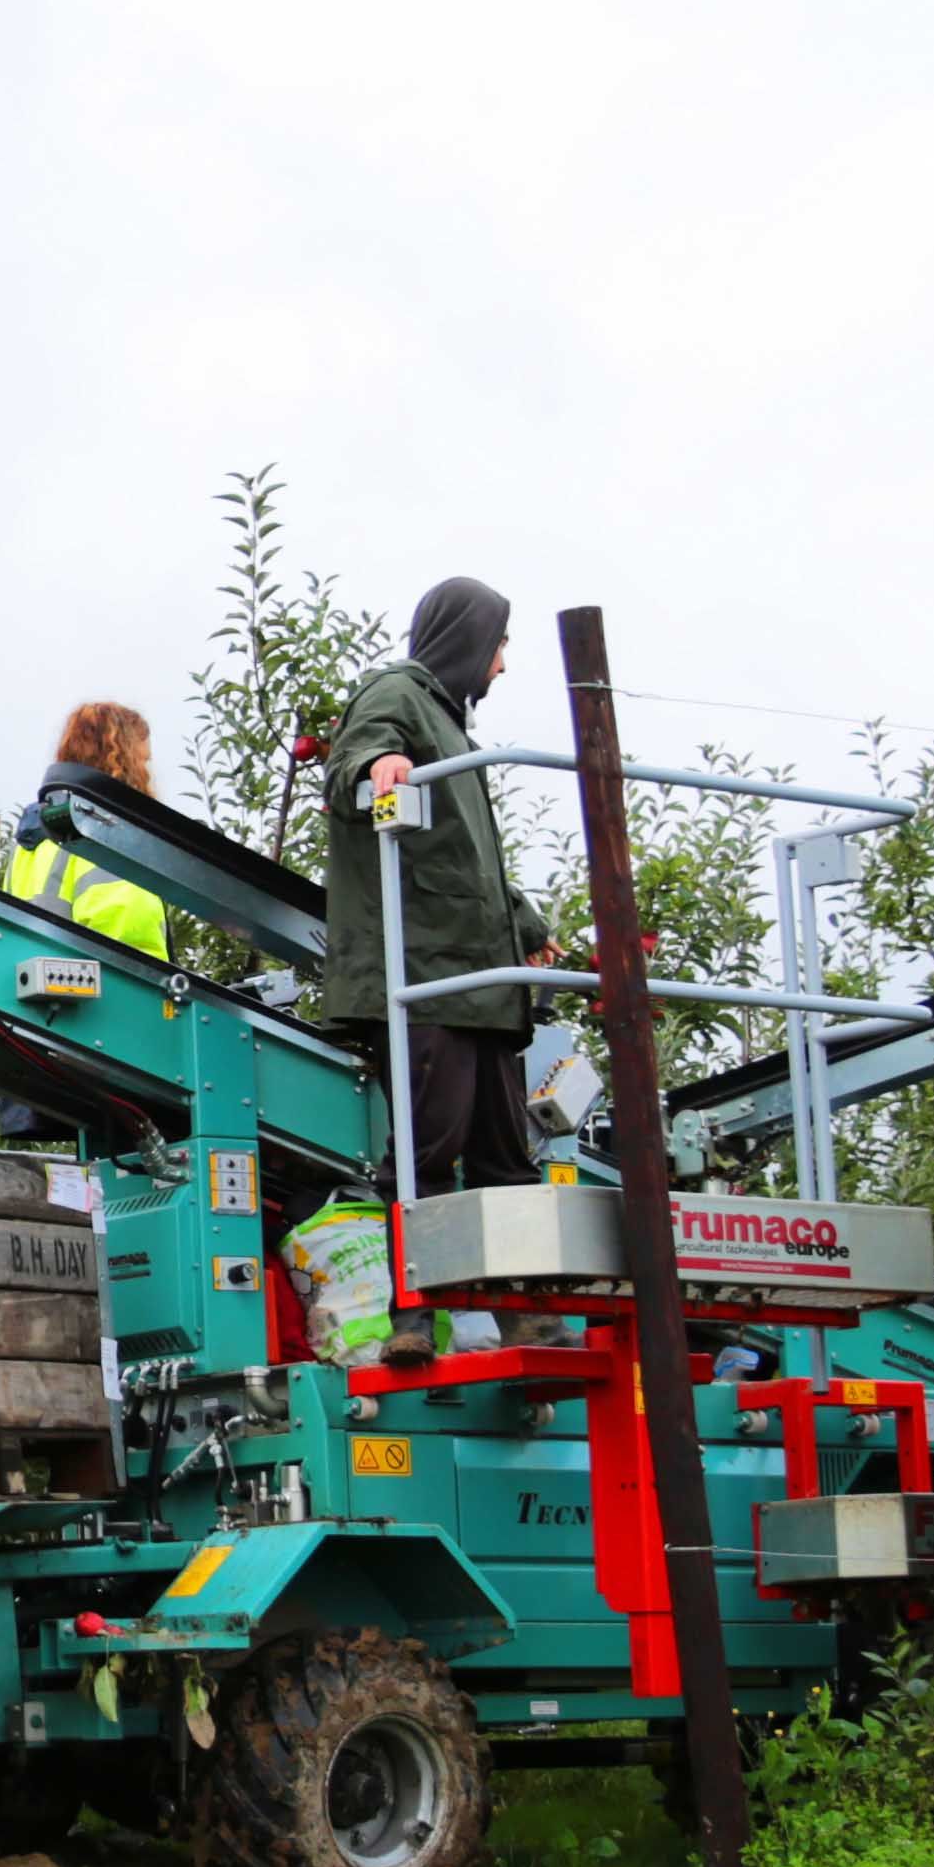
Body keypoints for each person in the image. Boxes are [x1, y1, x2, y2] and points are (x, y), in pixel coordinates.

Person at [321, 579, 559, 1356]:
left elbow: (470, 859)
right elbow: (356, 757)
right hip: (426, 974)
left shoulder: (452, 727)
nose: (503, 665)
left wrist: (524, 926)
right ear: (466, 640)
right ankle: (412, 1318)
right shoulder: (398, 696)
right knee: (427, 1153)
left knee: (506, 1157)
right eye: (499, 646)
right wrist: (380, 761)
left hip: (483, 980)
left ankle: (528, 1313)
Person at [0, 702, 172, 1148]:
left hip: (52, 1024)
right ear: (125, 758)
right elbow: (126, 928)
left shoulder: (34, 837)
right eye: (145, 759)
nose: (150, 770)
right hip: (118, 1023)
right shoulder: (108, 828)